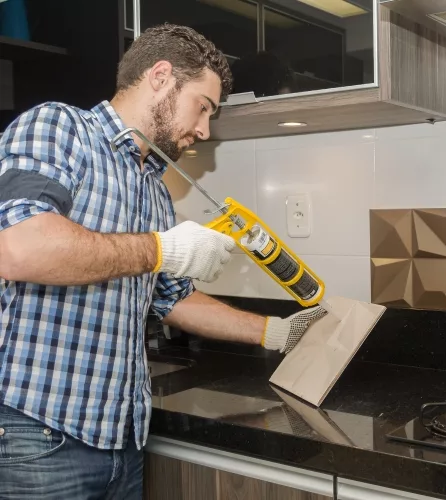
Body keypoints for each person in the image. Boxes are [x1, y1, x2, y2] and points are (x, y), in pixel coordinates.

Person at [0, 23, 325, 499]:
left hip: (123, 440)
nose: (203, 129)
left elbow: (171, 299)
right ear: (160, 76)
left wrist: (273, 332)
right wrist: (164, 249)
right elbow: (18, 247)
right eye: (203, 107)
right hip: (39, 436)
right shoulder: (58, 128)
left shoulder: (154, 190)